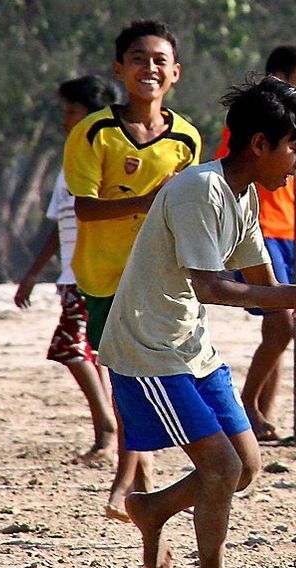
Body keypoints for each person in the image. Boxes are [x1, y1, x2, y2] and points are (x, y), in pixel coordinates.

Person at [99, 76, 296, 568]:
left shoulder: (242, 196)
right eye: (295, 147)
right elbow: (213, 286)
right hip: (148, 348)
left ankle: (153, 508)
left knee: (244, 466)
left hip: (190, 345)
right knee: (220, 467)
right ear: (259, 144)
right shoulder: (200, 190)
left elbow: (262, 289)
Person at [63, 20, 203, 521]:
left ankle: (128, 484)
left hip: (160, 280)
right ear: (120, 69)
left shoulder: (186, 138)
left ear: (176, 73)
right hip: (102, 277)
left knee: (137, 379)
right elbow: (85, 208)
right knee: (126, 378)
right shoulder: (93, 132)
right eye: (139, 59)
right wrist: (146, 201)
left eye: (160, 60)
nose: (150, 68)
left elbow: (187, 209)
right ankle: (138, 485)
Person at [213, 44, 296, 441]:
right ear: (278, 80)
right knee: (281, 323)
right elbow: (233, 169)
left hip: (293, 228)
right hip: (262, 228)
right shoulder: (254, 122)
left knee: (279, 327)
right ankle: (247, 403)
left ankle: (261, 414)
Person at [14, 75, 120, 464]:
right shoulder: (68, 163)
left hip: (91, 274)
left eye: (71, 113)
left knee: (70, 348)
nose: (64, 121)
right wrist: (33, 272)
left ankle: (108, 427)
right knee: (92, 353)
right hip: (70, 276)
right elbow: (59, 225)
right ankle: (107, 434)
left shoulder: (103, 158)